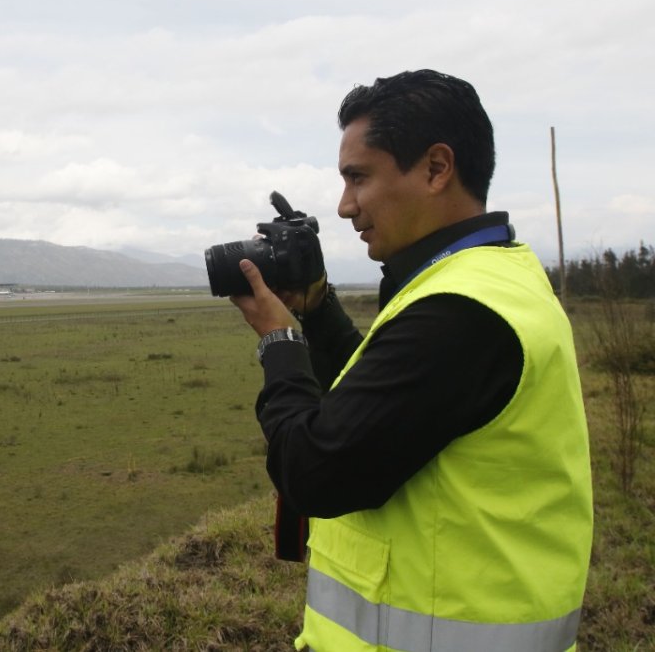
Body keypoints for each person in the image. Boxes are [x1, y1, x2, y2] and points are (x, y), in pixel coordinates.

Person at [229, 69, 593, 651]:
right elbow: (387, 409)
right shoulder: (489, 279)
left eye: (358, 178)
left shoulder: (459, 312)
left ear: (435, 168)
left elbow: (315, 471)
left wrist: (279, 340)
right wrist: (317, 312)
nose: (345, 207)